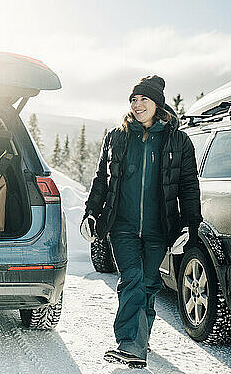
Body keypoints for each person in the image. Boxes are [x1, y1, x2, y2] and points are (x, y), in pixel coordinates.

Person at [82, 75, 202, 368]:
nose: (137, 105)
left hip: (159, 226)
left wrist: (190, 224)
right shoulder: (117, 136)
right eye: (133, 100)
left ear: (157, 104)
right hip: (122, 224)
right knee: (132, 279)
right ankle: (129, 345)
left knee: (149, 284)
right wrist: (91, 212)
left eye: (143, 99)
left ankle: (138, 339)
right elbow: (102, 179)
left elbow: (188, 184)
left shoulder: (178, 140)